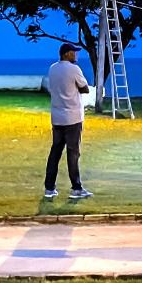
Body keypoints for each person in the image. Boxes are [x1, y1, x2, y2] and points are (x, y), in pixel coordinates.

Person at [45, 43, 92, 200]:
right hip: (72, 117)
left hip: (57, 117)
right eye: (73, 53)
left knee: (55, 152)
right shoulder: (74, 69)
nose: (75, 55)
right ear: (66, 54)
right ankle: (76, 188)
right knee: (73, 153)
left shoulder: (52, 68)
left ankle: (49, 188)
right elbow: (85, 88)